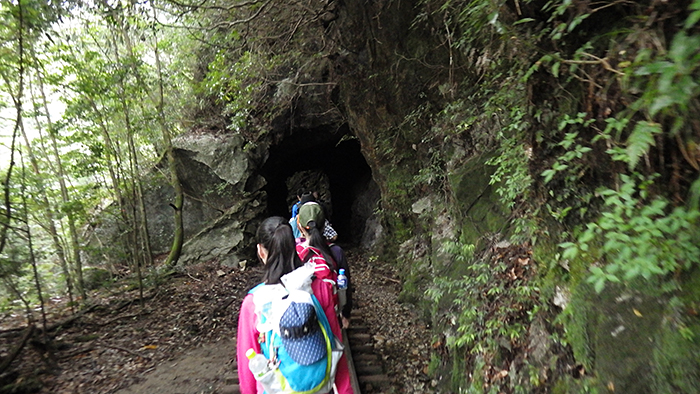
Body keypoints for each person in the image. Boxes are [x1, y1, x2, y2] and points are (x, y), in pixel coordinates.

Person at [236, 216, 352, 394]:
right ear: (294, 245)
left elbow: (248, 368)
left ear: (260, 251)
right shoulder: (320, 287)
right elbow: (334, 341)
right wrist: (345, 390)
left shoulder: (253, 302)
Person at [295, 202, 353, 328]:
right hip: (331, 316)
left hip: (302, 319)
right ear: (324, 226)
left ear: (299, 227)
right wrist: (346, 314)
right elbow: (345, 286)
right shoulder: (336, 252)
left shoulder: (295, 253)